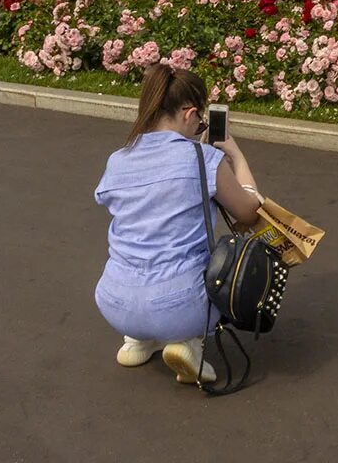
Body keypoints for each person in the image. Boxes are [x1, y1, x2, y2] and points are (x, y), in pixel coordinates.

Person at [93, 65, 263, 384]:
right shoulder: (202, 159)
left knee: (142, 250)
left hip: (114, 301)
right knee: (216, 267)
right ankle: (187, 343)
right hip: (179, 306)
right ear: (189, 113)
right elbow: (249, 212)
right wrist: (236, 157)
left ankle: (137, 341)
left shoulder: (118, 159)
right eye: (200, 120)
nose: (200, 127)